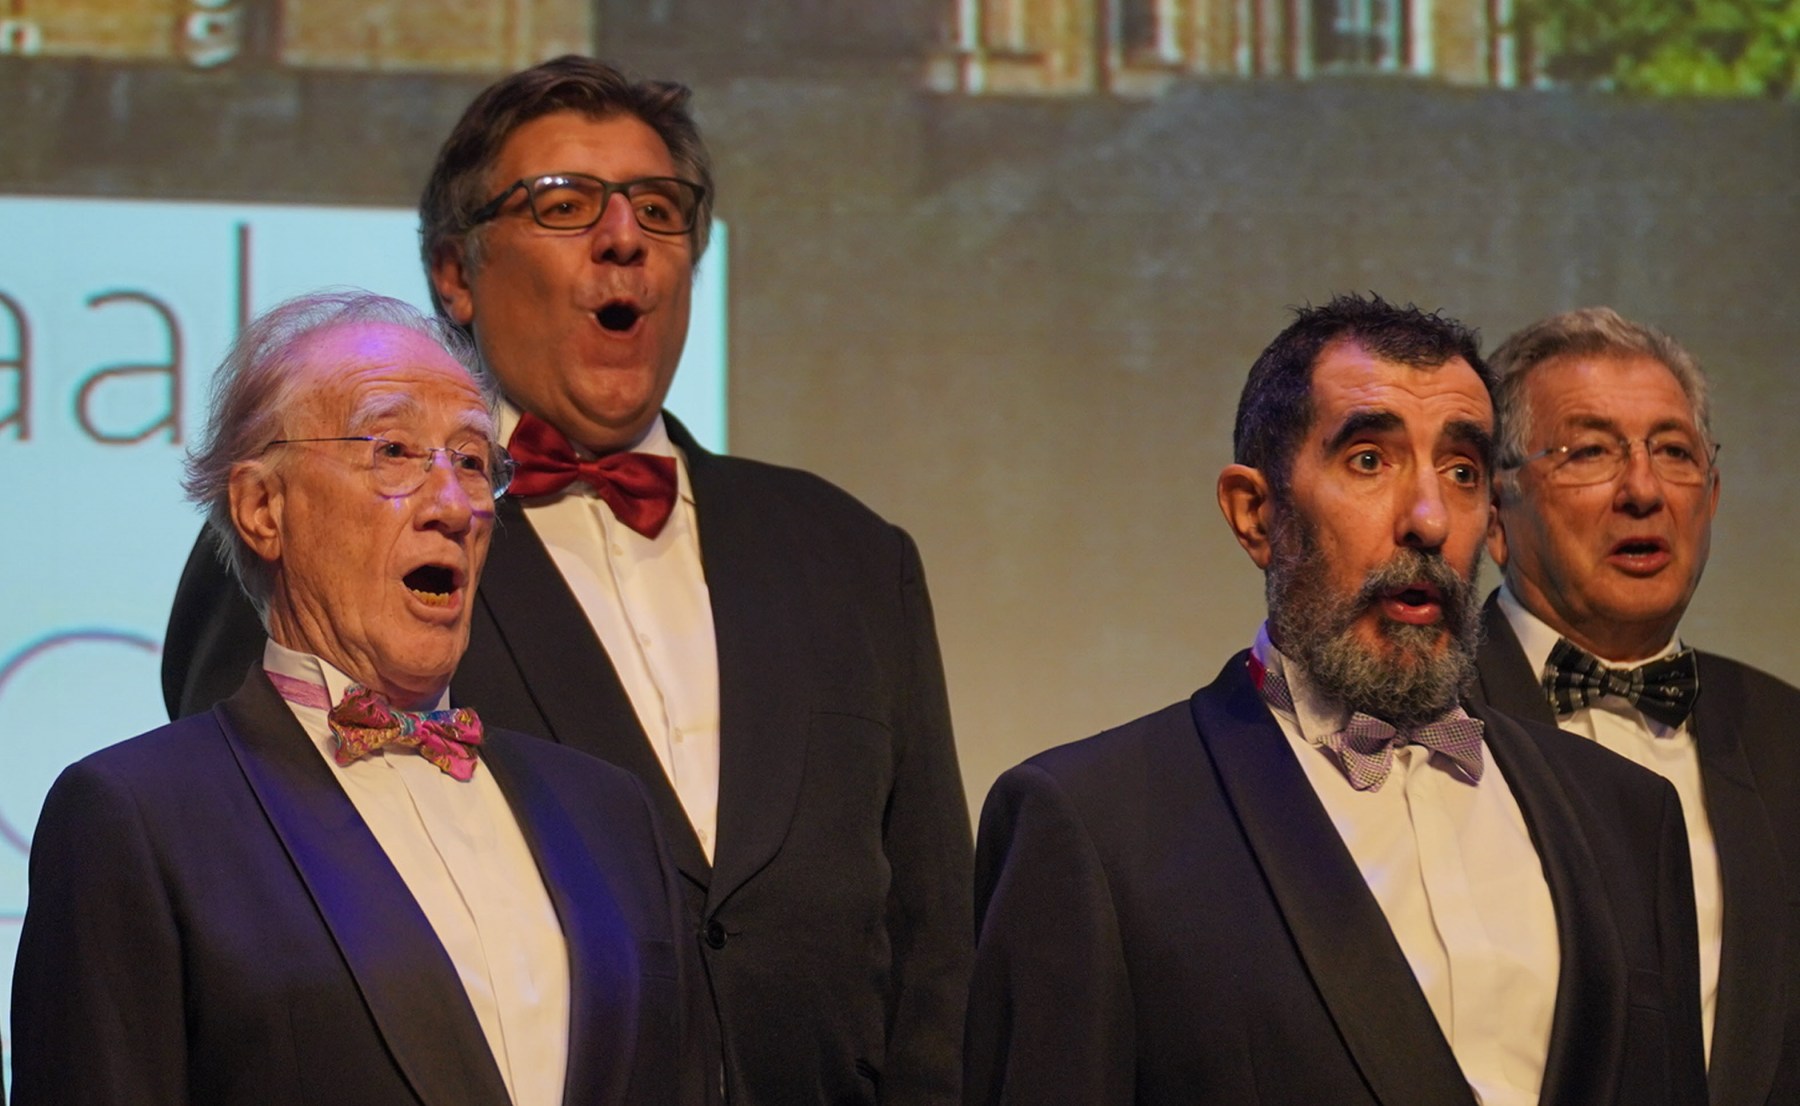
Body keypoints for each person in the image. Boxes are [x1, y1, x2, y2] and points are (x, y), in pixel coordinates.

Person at [159, 57, 972, 1104]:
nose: (624, 235)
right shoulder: (337, 535)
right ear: (456, 272)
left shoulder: (848, 552)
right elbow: (239, 882)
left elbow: (935, 937)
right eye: (565, 203)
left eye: (659, 207)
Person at [963, 294, 1708, 1105]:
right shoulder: (1095, 826)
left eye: (1461, 472)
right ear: (1256, 514)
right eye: (1369, 460)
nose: (1428, 518)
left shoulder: (1627, 815)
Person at [11, 291, 702, 1106]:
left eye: (472, 461)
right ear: (263, 508)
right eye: (394, 451)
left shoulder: (609, 814)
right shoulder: (137, 817)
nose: (455, 507)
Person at [1472, 306, 1800, 1105]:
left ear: (1711, 497)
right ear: (1493, 512)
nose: (1644, 491)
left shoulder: (1788, 738)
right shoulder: (1416, 724)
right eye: (1590, 452)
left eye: (1674, 452)